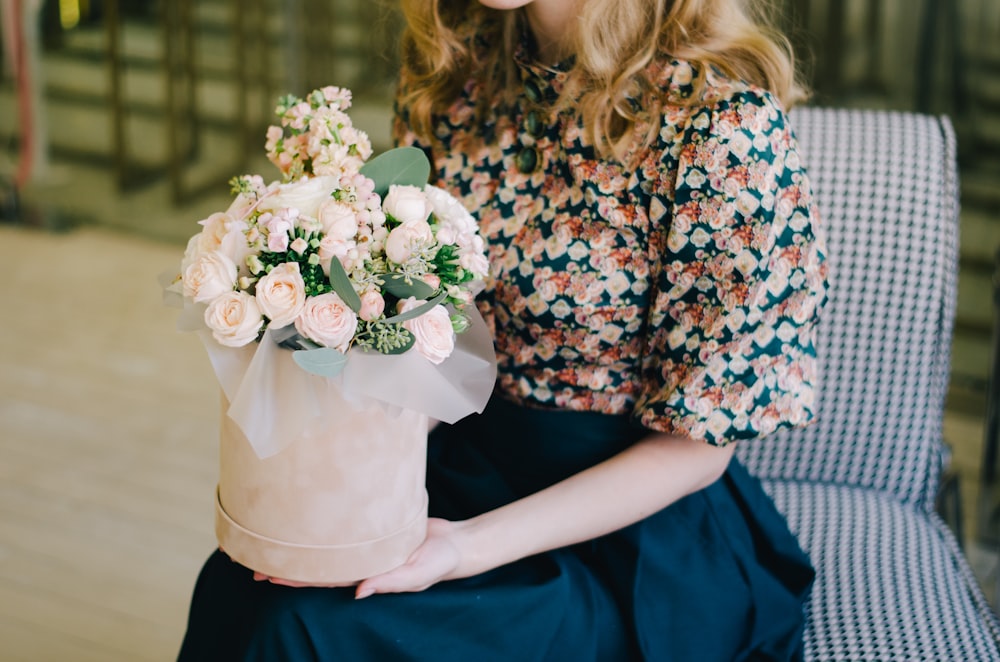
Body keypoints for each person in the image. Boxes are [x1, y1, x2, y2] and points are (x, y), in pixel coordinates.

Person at [177, 0, 828, 659]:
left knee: (307, 630)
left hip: (626, 535)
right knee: (245, 589)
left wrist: (464, 547)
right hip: (469, 451)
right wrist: (345, 469)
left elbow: (699, 449)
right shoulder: (452, 71)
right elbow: (436, 328)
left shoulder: (721, 127)